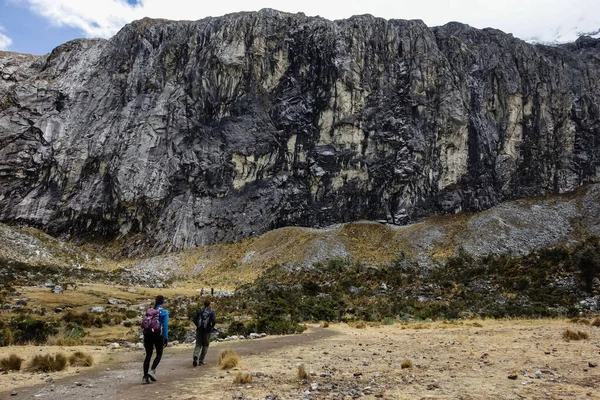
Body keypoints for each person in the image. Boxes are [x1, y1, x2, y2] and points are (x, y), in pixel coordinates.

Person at [142, 295, 169, 384]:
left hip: (148, 335)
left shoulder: (150, 311)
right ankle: (152, 370)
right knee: (159, 353)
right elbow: (165, 326)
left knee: (148, 355)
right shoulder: (164, 312)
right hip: (158, 335)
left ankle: (145, 377)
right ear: (163, 302)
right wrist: (165, 337)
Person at [192, 299, 216, 367]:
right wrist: (211, 327)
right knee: (205, 345)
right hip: (207, 331)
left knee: (198, 344)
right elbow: (214, 321)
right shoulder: (212, 311)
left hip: (199, 330)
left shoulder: (199, 310)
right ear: (209, 304)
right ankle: (201, 361)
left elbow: (194, 319)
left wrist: (198, 326)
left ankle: (195, 356)